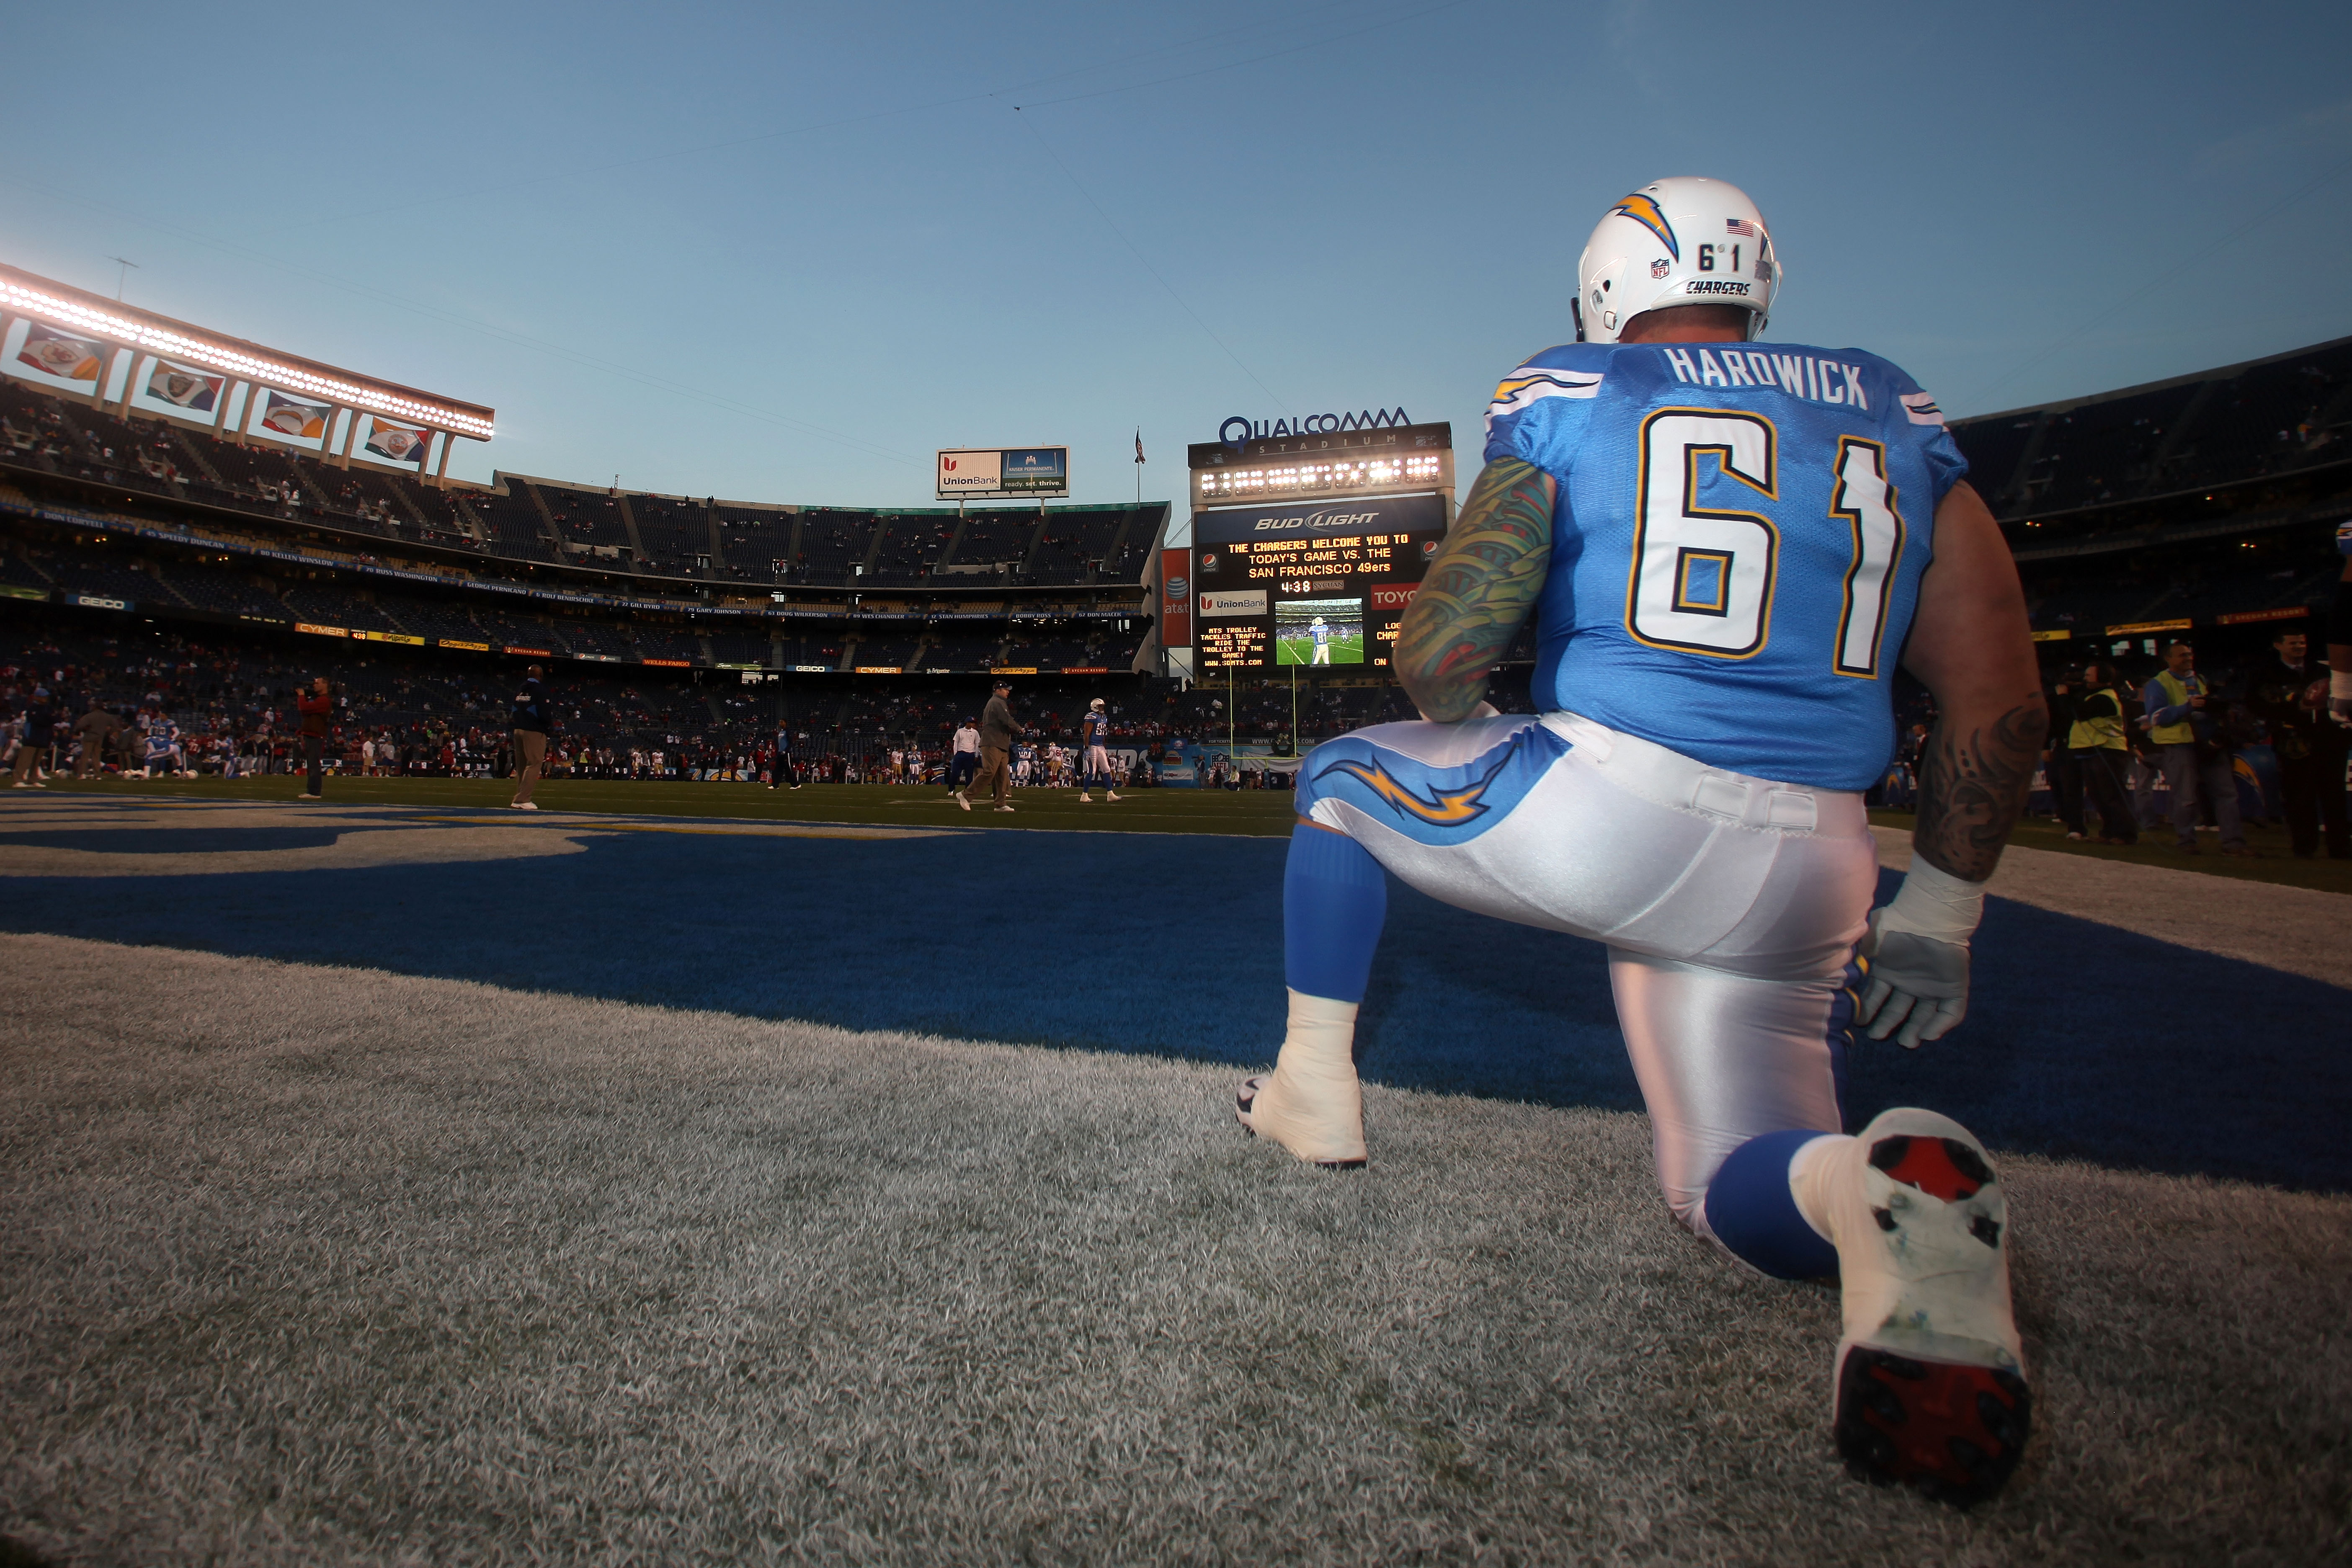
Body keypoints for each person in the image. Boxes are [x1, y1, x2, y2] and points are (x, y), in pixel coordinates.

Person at [1234, 178, 2040, 1504]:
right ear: (1757, 282)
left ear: (1603, 294)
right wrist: (1939, 916)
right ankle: (1865, 1193)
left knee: (1332, 778)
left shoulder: (1573, 389)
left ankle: (1313, 1091)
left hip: (1619, 807)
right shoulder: (1892, 406)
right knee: (1730, 1182)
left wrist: (1463, 677)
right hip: (1818, 869)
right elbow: (2003, 699)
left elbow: (1443, 653)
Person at [2242, 628, 2347, 859]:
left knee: (2335, 797)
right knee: (2300, 798)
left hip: (2331, 742)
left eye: (2302, 642)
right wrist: (2295, 711)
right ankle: (2304, 847)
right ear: (2279, 646)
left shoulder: (2322, 670)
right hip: (2293, 745)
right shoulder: (2265, 674)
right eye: (2293, 643)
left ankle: (2341, 848)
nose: (2299, 647)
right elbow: (2256, 705)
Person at [2141, 642, 2251, 856]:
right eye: (2183, 655)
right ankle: (2186, 842)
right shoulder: (2158, 683)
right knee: (2186, 795)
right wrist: (2188, 706)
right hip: (2179, 743)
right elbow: (2156, 717)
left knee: (2227, 793)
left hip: (2208, 741)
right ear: (2169, 659)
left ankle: (2234, 843)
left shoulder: (2199, 679)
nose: (2188, 658)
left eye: (2190, 654)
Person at [2063, 662, 2137, 844]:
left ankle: (2125, 834)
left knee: (2111, 795)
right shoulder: (2093, 697)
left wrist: (2064, 696)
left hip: (2108, 749)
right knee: (2099, 795)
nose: (2085, 679)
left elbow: (2078, 713)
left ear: (2102, 678)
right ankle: (2110, 832)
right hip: (2094, 750)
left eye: (2089, 675)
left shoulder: (2105, 698)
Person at [957, 680, 1020, 812]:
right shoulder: (997, 702)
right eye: (1005, 689)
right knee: (990, 771)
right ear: (998, 690)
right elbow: (1006, 720)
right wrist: (1019, 728)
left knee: (1002, 775)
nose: (1008, 691)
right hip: (993, 742)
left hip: (1001, 743)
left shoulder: (999, 702)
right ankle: (966, 795)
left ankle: (1001, 804)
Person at [509, 663, 549, 810]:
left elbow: (514, 708)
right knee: (534, 763)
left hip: (518, 728)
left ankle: (520, 796)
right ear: (540, 676)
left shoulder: (520, 688)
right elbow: (544, 713)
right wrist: (547, 728)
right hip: (534, 730)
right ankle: (523, 798)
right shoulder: (540, 690)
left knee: (521, 765)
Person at [1078, 697, 1121, 802]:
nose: (1102, 708)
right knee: (1092, 771)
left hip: (1100, 746)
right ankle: (1084, 795)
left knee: (1107, 769)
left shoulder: (1104, 717)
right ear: (1095, 707)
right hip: (1092, 746)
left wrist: (1104, 746)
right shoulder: (1091, 717)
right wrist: (1086, 748)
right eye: (1100, 706)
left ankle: (1110, 794)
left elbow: (1103, 734)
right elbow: (1087, 734)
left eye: (1103, 706)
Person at [296, 676, 333, 798]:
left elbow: (304, 708)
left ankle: (314, 791)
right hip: (312, 735)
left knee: (313, 764)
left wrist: (301, 696)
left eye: (317, 683)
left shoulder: (324, 700)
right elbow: (304, 711)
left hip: (316, 736)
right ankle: (312, 790)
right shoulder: (320, 700)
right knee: (311, 763)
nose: (314, 685)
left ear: (325, 685)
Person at [10, 687, 53, 788]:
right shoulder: (32, 708)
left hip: (44, 738)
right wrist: (48, 720)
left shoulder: (48, 708)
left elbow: (54, 719)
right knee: (25, 760)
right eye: (43, 697)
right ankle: (18, 780)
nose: (45, 698)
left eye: (46, 697)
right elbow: (39, 721)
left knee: (37, 761)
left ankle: (33, 779)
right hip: (32, 738)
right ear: (37, 697)